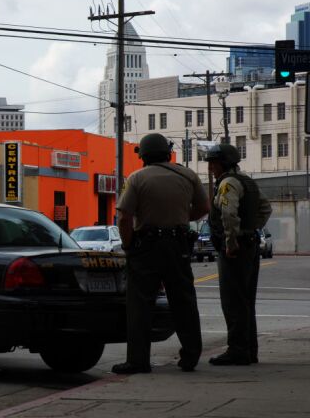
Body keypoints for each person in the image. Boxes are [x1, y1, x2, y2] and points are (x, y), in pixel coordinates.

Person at [112, 133, 210, 374]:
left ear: (143, 156)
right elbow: (203, 208)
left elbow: (124, 216)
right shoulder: (188, 175)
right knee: (184, 301)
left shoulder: (137, 178)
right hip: (178, 245)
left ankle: (138, 360)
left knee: (140, 304)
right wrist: (179, 219)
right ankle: (190, 356)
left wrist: (128, 245)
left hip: (146, 246)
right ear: (167, 153)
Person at [205, 143, 271, 366]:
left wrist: (232, 241)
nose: (210, 168)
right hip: (250, 245)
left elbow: (228, 213)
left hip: (235, 250)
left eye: (213, 163)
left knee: (233, 301)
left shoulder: (227, 184)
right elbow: (265, 208)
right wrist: (251, 229)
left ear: (222, 163)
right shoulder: (248, 181)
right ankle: (249, 349)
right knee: (246, 300)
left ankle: (237, 350)